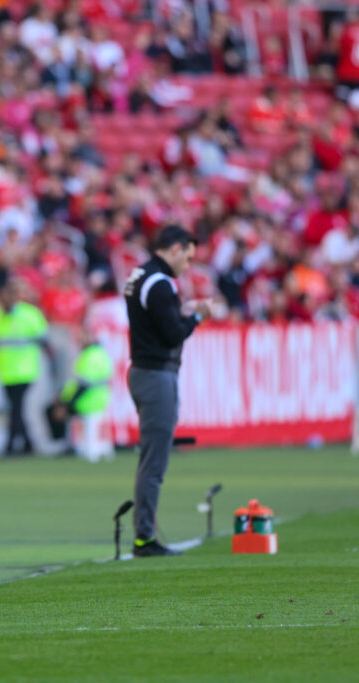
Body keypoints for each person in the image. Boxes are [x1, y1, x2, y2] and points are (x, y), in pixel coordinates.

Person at [123, 225, 212, 557]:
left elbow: (156, 323)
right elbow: (173, 334)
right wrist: (198, 316)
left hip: (143, 370)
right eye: (187, 257)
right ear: (174, 249)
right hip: (156, 373)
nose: (188, 265)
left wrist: (183, 313)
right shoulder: (160, 283)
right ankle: (145, 538)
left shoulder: (139, 275)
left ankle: (145, 534)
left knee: (151, 457)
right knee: (154, 460)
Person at [0, 280, 53, 455]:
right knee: (16, 408)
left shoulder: (29, 314)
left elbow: (45, 339)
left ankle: (11, 444)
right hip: (5, 373)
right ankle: (27, 443)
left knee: (16, 408)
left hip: (25, 371)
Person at [49, 330, 114, 452]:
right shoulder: (93, 354)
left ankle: (69, 446)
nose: (80, 340)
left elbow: (83, 385)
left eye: (83, 337)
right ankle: (78, 446)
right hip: (93, 399)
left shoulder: (92, 355)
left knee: (59, 414)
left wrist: (67, 405)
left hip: (90, 400)